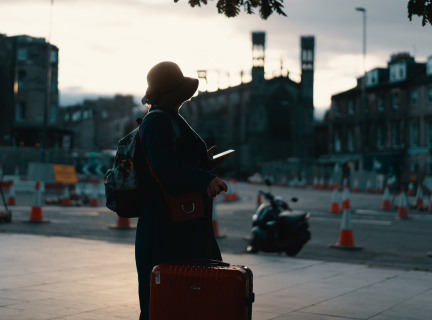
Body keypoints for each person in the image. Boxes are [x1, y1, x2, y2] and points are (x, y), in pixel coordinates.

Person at [136, 61, 229, 320]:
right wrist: (203, 179)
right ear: (171, 93)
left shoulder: (170, 118)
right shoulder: (157, 121)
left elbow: (175, 159)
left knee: (186, 288)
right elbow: (163, 166)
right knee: (165, 294)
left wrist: (205, 163)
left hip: (181, 217)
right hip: (167, 221)